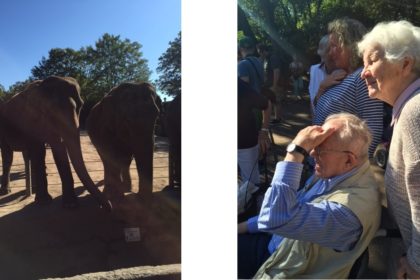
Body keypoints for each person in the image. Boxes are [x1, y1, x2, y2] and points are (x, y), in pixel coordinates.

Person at [238, 112, 381, 279]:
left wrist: (295, 151)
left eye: (320, 150)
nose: (311, 154)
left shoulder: (348, 212)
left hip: (282, 267)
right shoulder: (335, 172)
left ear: (349, 160)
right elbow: (289, 206)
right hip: (276, 246)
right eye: (313, 146)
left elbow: (275, 216)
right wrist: (243, 226)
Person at [358, 20, 420, 279]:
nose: (363, 73)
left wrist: (417, 263)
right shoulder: (408, 108)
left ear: (405, 64)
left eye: (371, 61)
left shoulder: (415, 112)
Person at [313, 17, 383, 158]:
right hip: (324, 163)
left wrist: (352, 168)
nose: (330, 53)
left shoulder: (362, 78)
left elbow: (373, 129)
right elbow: (318, 107)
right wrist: (321, 88)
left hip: (339, 170)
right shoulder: (341, 75)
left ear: (351, 45)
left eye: (334, 46)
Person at [238, 36, 271, 158]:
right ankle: (261, 157)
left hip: (250, 106)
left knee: (253, 138)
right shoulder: (258, 61)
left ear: (241, 48)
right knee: (260, 134)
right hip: (261, 101)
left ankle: (256, 161)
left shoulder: (242, 64)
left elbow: (243, 85)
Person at [238, 77, 269, 185]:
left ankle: (253, 199)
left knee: (251, 184)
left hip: (245, 143)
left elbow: (266, 104)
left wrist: (264, 131)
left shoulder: (240, 86)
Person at [308, 35, 347, 117]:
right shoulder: (314, 70)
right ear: (322, 55)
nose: (333, 55)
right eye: (328, 53)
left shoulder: (346, 73)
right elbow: (313, 103)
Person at [257, 43, 284, 123]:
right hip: (270, 84)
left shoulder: (273, 58)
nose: (259, 53)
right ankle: (276, 118)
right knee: (274, 101)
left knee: (277, 101)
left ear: (263, 51)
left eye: (260, 52)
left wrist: (274, 85)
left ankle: (278, 118)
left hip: (275, 84)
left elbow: (277, 71)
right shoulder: (267, 58)